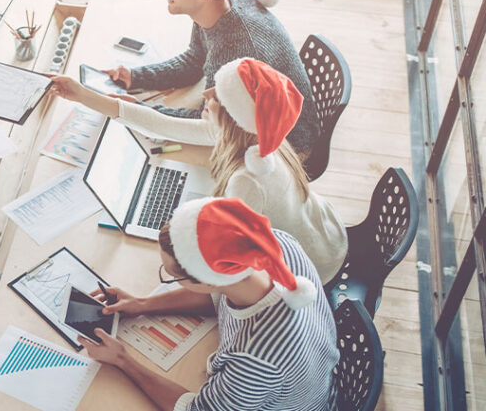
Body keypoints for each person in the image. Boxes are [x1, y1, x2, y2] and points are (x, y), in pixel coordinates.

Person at [52, 58, 346, 283]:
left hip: (312, 268)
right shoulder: (251, 134)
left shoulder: (248, 181)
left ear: (233, 116)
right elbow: (158, 123)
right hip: (323, 235)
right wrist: (81, 94)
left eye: (217, 95)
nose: (206, 93)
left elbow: (231, 263)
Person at [82, 197, 338, 411]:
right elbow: (216, 297)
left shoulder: (254, 360)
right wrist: (142, 303)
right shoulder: (276, 244)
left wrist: (122, 359)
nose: (171, 280)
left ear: (209, 280)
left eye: (173, 276)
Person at [103, 0, 319, 154]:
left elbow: (207, 123)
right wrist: (136, 77)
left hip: (284, 147)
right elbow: (195, 60)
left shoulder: (235, 48)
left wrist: (139, 110)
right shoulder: (218, 6)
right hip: (243, 117)